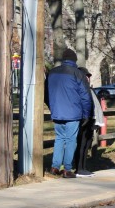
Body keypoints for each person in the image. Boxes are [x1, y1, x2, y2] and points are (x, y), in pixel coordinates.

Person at [45, 48, 92, 178]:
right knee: (71, 140)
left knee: (59, 139)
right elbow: (86, 97)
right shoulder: (78, 74)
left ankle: (55, 167)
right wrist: (87, 115)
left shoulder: (52, 73)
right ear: (74, 60)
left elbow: (46, 94)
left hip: (57, 112)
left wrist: (52, 107)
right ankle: (67, 169)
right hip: (73, 113)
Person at [74, 68, 106, 176]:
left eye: (88, 76)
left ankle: (84, 167)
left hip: (91, 121)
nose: (88, 78)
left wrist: (96, 121)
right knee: (81, 144)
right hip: (83, 120)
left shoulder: (90, 89)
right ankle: (79, 168)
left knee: (87, 144)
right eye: (86, 76)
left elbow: (95, 106)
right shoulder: (78, 89)